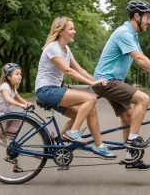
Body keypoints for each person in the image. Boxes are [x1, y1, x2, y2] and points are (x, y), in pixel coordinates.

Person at [92, 0, 150, 170]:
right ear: (137, 16)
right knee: (143, 99)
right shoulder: (124, 33)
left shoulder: (133, 35)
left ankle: (131, 158)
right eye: (148, 17)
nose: (149, 21)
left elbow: (142, 60)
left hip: (112, 81)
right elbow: (140, 60)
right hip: (106, 81)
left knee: (128, 117)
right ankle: (132, 140)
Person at [35, 16, 116, 159]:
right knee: (90, 99)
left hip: (55, 91)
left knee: (89, 110)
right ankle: (73, 133)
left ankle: (99, 146)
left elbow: (79, 69)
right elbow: (68, 71)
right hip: (46, 90)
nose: (74, 31)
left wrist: (96, 80)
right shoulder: (52, 48)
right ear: (61, 31)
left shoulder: (66, 49)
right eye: (71, 29)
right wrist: (90, 84)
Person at [0, 63, 32, 144]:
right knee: (9, 124)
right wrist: (21, 105)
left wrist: (26, 103)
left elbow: (18, 98)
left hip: (1, 112)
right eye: (17, 74)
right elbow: (8, 98)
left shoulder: (12, 88)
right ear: (9, 77)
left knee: (18, 119)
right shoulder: (4, 86)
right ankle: (6, 137)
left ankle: (9, 138)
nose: (20, 76)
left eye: (20, 74)